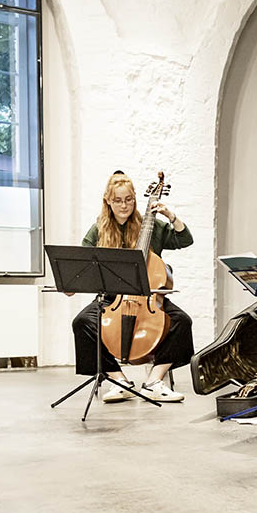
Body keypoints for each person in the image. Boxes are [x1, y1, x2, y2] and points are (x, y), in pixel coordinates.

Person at [71, 171, 193, 403]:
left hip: (148, 298)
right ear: (108, 201)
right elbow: (82, 263)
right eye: (117, 200)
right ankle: (119, 381)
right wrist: (73, 283)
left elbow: (185, 239)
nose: (124, 205)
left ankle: (154, 381)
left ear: (135, 199)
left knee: (182, 322)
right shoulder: (98, 230)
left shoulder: (152, 226)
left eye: (128, 199)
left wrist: (170, 215)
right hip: (112, 300)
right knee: (82, 323)